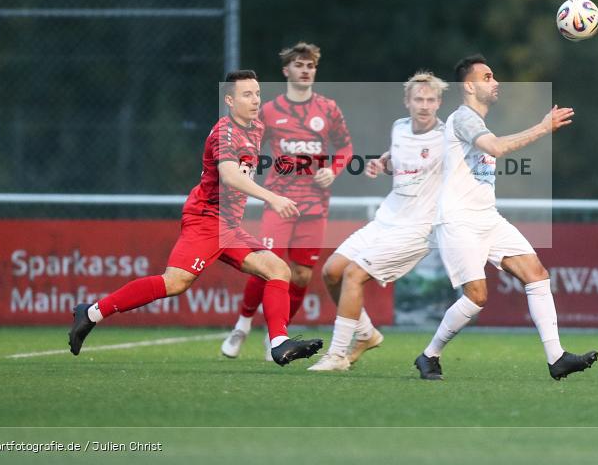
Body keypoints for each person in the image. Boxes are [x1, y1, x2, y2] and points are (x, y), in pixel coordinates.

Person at [68, 70, 323, 366]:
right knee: (175, 283)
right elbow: (229, 176)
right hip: (206, 220)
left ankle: (278, 343)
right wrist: (273, 197)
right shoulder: (224, 132)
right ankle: (91, 313)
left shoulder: (255, 127)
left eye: (257, 94)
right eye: (247, 94)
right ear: (229, 100)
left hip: (228, 225)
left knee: (278, 270)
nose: (255, 100)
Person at [413, 54, 598, 381]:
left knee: (537, 274)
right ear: (469, 85)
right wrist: (543, 127)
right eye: (487, 77)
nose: (495, 82)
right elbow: (496, 148)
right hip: (459, 221)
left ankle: (556, 358)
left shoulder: (477, 123)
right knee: (477, 298)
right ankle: (429, 355)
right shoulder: (464, 119)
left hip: (488, 219)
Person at [308, 71, 448, 371]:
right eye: (418, 99)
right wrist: (382, 163)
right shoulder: (398, 127)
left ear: (439, 103)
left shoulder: (448, 137)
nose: (424, 105)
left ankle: (336, 355)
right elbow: (400, 159)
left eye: (431, 100)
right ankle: (367, 334)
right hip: (386, 218)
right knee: (332, 271)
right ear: (407, 102)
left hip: (417, 229)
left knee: (354, 274)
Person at [221, 42, 353, 359]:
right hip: (279, 201)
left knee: (303, 275)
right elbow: (251, 145)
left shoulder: (328, 109)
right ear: (286, 70)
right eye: (299, 65)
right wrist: (246, 169)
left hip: (315, 204)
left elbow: (346, 149)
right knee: (266, 264)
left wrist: (333, 171)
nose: (305, 70)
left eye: (310, 66)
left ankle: (276, 337)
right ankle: (241, 326)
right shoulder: (269, 111)